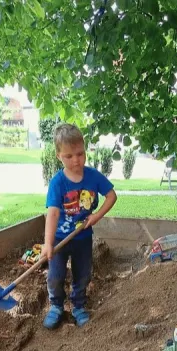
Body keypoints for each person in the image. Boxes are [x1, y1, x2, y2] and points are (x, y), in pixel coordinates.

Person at [41, 124, 117, 329]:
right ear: (59, 156)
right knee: (55, 275)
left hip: (83, 238)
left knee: (82, 274)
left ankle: (78, 306)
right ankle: (56, 305)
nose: (76, 160)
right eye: (69, 156)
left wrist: (97, 216)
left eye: (80, 154)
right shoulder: (58, 183)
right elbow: (53, 213)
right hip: (59, 239)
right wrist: (48, 243)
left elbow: (111, 196)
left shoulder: (92, 177)